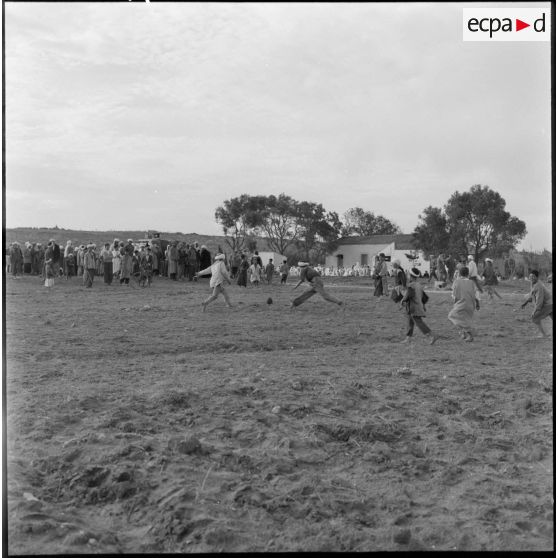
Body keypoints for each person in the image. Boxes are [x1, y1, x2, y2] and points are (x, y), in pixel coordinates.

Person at [399, 267, 437, 344]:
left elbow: (408, 295)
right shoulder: (419, 285)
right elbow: (425, 297)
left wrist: (402, 301)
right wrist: (423, 305)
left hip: (414, 308)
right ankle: (408, 338)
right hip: (417, 306)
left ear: (410, 276)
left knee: (418, 322)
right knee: (410, 322)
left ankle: (432, 335)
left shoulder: (411, 285)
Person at [520, 270, 553, 338]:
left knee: (534, 317)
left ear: (537, 277)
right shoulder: (533, 283)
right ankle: (544, 335)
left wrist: (535, 310)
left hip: (548, 304)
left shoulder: (539, 285)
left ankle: (544, 335)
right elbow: (532, 295)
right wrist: (525, 303)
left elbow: (539, 300)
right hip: (550, 303)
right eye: (530, 276)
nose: (531, 278)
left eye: (533, 276)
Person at [448, 266, 477, 342]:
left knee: (452, 316)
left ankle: (469, 332)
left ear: (460, 274)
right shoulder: (472, 282)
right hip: (471, 305)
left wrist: (455, 303)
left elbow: (454, 295)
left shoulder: (457, 281)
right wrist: (477, 304)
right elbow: (476, 295)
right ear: (468, 274)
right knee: (465, 319)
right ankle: (463, 333)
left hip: (461, 303)